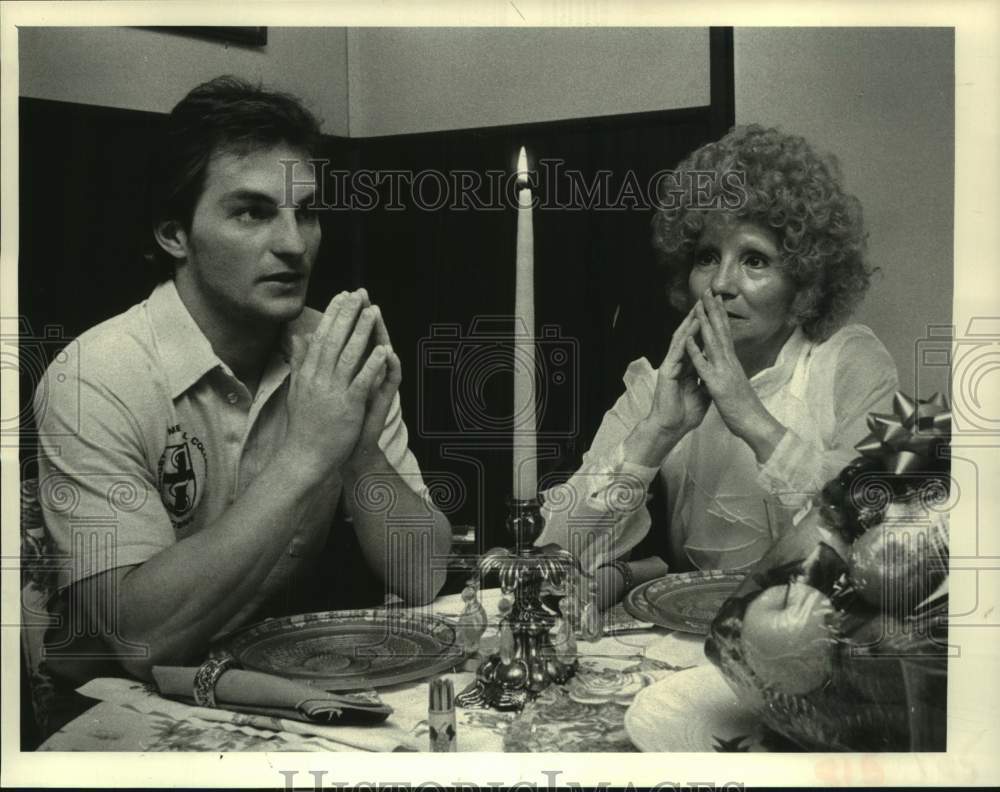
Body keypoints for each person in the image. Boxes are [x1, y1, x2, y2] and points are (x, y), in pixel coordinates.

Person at [29, 76, 452, 714]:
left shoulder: (330, 350)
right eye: (252, 212)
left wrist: (360, 451)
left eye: (305, 211)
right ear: (174, 234)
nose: (293, 244)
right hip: (109, 706)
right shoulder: (93, 376)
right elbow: (140, 640)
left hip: (275, 688)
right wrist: (310, 454)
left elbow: (421, 575)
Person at [536, 125, 898, 605]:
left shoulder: (849, 363)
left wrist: (748, 415)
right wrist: (658, 433)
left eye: (755, 260)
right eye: (708, 257)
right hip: (684, 646)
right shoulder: (657, 385)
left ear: (804, 281)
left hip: (819, 642)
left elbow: (876, 533)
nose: (721, 284)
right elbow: (552, 554)